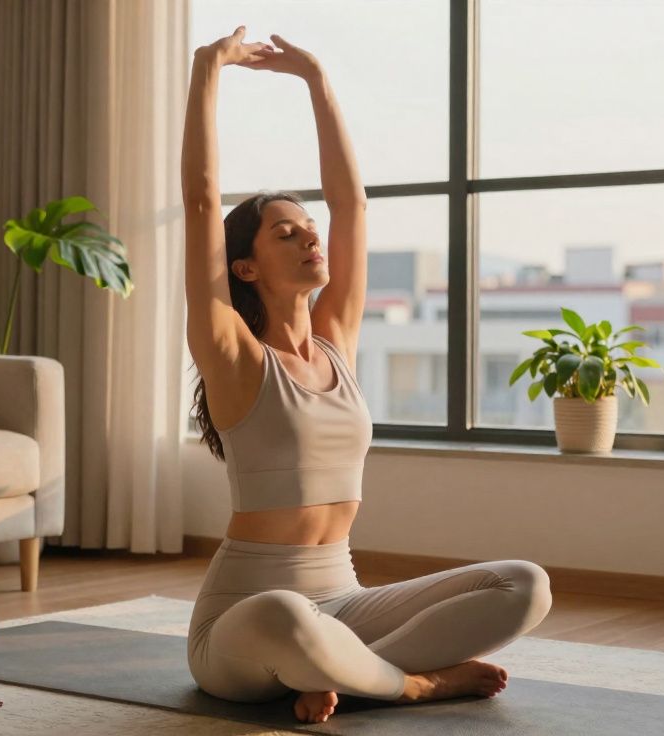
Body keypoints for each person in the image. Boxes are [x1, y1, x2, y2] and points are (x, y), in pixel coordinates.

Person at [180, 26, 553, 725]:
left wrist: (317, 79)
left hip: (346, 600)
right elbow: (201, 202)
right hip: (246, 618)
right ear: (245, 268)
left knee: (523, 585)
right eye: (283, 232)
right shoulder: (234, 355)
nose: (309, 235)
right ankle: (412, 684)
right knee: (289, 618)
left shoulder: (336, 344)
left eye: (307, 226)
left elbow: (351, 207)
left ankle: (343, 674)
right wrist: (209, 71)